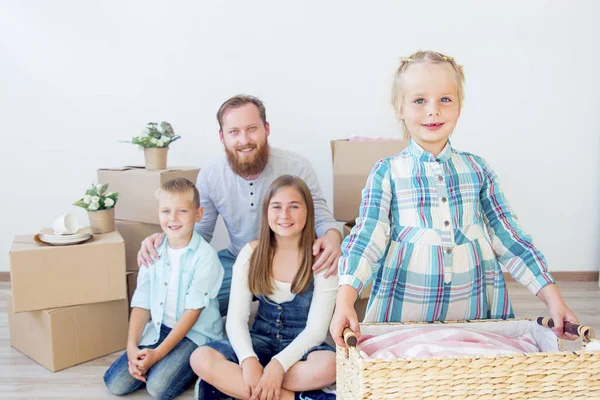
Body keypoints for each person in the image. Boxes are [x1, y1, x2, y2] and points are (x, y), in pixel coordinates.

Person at [330, 50, 579, 347]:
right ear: (399, 107)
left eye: (445, 99)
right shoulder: (387, 172)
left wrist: (553, 300)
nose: (433, 110)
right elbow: (367, 238)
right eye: (419, 100)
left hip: (474, 316)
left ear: (460, 106)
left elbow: (509, 236)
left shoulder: (478, 169)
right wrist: (345, 300)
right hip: (404, 318)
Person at [138, 95, 341, 315]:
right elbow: (200, 232)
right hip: (237, 259)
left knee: (320, 308)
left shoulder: (297, 166)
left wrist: (332, 235)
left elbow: (320, 216)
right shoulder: (211, 174)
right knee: (194, 306)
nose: (244, 140)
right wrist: (166, 241)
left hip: (290, 260)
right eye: (234, 132)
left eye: (252, 129)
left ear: (266, 129)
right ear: (222, 136)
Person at [190, 175, 337, 400]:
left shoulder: (321, 257)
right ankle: (288, 397)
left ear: (308, 211)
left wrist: (278, 365)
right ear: (266, 212)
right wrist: (248, 360)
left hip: (302, 346)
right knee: (200, 357)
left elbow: (316, 331)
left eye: (294, 207)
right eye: (276, 207)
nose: (284, 215)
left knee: (331, 365)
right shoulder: (251, 253)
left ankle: (244, 389)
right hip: (260, 339)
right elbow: (237, 319)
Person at [104, 178, 224, 399]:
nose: (173, 219)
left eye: (182, 211)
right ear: (158, 213)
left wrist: (157, 354)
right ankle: (156, 362)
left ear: (198, 214)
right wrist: (132, 347)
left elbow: (192, 313)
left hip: (194, 334)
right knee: (115, 384)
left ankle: (195, 366)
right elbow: (142, 301)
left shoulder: (205, 257)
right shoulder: (153, 250)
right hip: (161, 327)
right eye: (166, 211)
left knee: (158, 388)